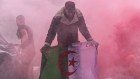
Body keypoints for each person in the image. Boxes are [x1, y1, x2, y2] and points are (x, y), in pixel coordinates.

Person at [40, 1, 98, 79]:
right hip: (62, 44)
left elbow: (83, 29)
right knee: (64, 66)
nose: (70, 13)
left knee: (75, 66)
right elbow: (51, 32)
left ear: (74, 9)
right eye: (69, 11)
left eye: (72, 11)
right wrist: (46, 45)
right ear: (65, 9)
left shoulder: (78, 15)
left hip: (74, 44)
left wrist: (90, 40)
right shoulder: (57, 17)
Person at [16, 15, 35, 79]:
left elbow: (25, 38)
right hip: (32, 51)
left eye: (17, 20)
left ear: (19, 21)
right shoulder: (27, 27)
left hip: (27, 52)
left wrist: (20, 48)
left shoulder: (22, 28)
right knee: (30, 71)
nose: (16, 22)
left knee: (24, 71)